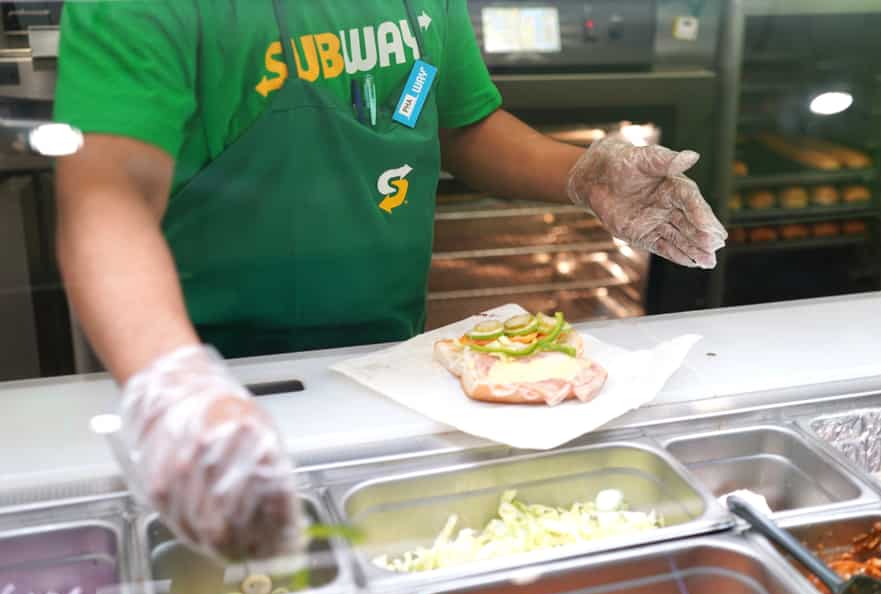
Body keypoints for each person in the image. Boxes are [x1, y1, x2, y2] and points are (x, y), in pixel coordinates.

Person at [53, 0, 726, 561]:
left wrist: (583, 174)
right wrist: (173, 388)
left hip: (392, 372)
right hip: (216, 390)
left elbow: (461, 124)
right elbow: (105, 198)